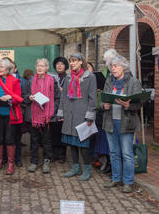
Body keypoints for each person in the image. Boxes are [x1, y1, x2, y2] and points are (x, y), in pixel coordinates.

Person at [102, 55, 142, 193]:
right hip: (110, 122)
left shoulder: (133, 82)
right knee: (113, 153)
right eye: (112, 66)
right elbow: (103, 100)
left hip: (126, 123)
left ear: (123, 67)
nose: (113, 69)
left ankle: (128, 182)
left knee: (127, 154)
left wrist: (127, 105)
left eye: (116, 66)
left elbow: (139, 104)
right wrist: (104, 105)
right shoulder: (109, 82)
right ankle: (116, 178)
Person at [57, 53, 97, 181]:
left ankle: (86, 169)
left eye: (74, 61)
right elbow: (63, 97)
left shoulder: (90, 77)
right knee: (71, 142)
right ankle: (75, 167)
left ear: (81, 62)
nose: (72, 63)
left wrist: (90, 115)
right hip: (69, 114)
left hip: (82, 114)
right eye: (70, 61)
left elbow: (92, 98)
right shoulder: (68, 77)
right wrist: (61, 112)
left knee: (83, 143)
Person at [22, 58, 61, 173]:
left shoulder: (52, 80)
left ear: (47, 68)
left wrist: (52, 111)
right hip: (33, 115)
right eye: (38, 65)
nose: (40, 68)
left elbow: (57, 98)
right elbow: (24, 95)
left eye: (42, 66)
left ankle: (46, 161)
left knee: (47, 140)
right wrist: (28, 98)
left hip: (47, 115)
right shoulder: (30, 80)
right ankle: (34, 161)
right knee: (34, 140)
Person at [0, 58, 23, 175]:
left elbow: (19, 98)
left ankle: (10, 164)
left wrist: (10, 98)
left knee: (9, 139)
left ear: (8, 69)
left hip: (10, 115)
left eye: (1, 67)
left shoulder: (15, 81)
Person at [50, 57, 69, 163]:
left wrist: (63, 91)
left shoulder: (69, 78)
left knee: (62, 131)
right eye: (57, 64)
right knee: (53, 131)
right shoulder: (51, 77)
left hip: (64, 107)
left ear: (65, 66)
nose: (59, 66)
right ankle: (54, 154)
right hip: (53, 107)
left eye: (62, 64)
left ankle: (62, 155)